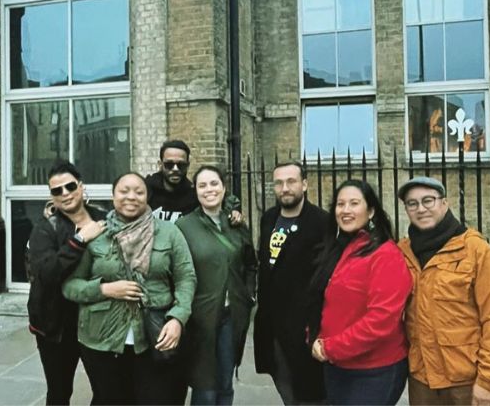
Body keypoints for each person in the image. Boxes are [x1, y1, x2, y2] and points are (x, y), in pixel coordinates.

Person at [63, 171, 196, 405]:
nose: (131, 197)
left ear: (147, 197)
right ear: (113, 196)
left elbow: (186, 277)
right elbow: (70, 286)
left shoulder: (168, 232)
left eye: (139, 191)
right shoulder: (96, 234)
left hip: (153, 336)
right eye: (124, 191)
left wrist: (177, 318)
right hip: (101, 340)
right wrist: (105, 290)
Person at [397, 177, 490, 406]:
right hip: (422, 377)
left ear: (444, 203)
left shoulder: (475, 250)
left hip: (466, 378)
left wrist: (489, 381)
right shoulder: (403, 251)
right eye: (412, 204)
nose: (421, 209)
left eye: (428, 200)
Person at [308, 179, 412, 406]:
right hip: (337, 366)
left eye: (354, 203)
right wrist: (314, 334)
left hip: (374, 370)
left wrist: (330, 348)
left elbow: (381, 321)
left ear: (371, 210)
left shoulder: (385, 255)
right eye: (340, 204)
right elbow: (324, 300)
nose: (345, 210)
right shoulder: (338, 248)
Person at [28, 160, 108, 406]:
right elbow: (47, 273)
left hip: (97, 321)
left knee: (107, 391)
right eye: (56, 190)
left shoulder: (104, 219)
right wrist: (80, 238)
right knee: (60, 392)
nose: (64, 194)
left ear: (81, 187)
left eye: (69, 186)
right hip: (57, 327)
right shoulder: (45, 229)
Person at [176, 165, 257, 405]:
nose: (209, 190)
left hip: (232, 316)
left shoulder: (237, 225)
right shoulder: (184, 227)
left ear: (223, 188)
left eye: (214, 184)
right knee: (204, 385)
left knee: (225, 383)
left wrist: (249, 295)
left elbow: (251, 264)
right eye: (202, 185)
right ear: (196, 191)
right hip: (199, 318)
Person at [254, 161, 329, 405]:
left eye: (291, 181)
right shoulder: (268, 219)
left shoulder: (321, 222)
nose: (285, 188)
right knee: (283, 383)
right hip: (271, 324)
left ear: (304, 184)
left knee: (310, 393)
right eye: (279, 183)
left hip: (304, 326)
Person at [146, 139, 242, 225]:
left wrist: (234, 211)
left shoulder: (194, 193)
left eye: (181, 165)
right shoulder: (146, 190)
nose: (175, 169)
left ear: (188, 165)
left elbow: (224, 198)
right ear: (160, 164)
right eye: (169, 164)